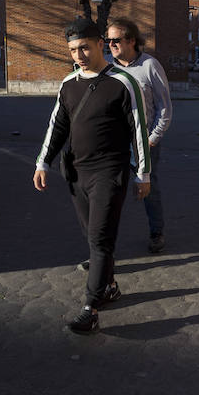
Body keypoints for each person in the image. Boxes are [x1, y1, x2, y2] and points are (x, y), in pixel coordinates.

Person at [33, 18, 151, 335]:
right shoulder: (68, 84)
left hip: (109, 172)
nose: (79, 55)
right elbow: (57, 126)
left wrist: (143, 173)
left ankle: (91, 307)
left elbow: (139, 130)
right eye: (73, 50)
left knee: (100, 239)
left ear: (101, 44)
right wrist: (43, 162)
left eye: (84, 47)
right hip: (75, 172)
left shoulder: (124, 83)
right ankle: (109, 286)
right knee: (92, 237)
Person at [105, 17, 172, 254]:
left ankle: (157, 232)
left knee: (148, 189)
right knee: (109, 193)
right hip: (114, 145)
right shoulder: (106, 67)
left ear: (132, 40)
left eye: (116, 40)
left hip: (145, 142)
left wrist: (152, 138)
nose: (111, 44)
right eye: (108, 40)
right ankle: (103, 244)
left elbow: (165, 108)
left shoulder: (149, 65)